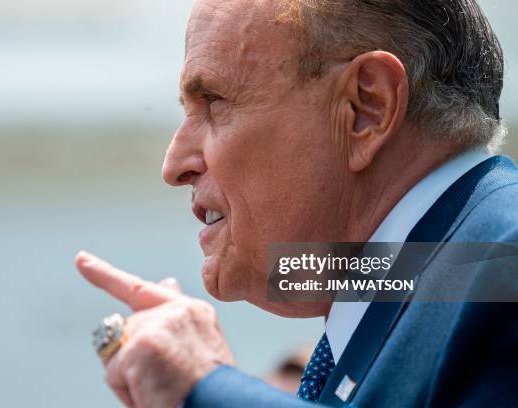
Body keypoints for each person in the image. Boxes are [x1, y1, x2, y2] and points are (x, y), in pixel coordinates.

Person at [75, 0, 518, 406]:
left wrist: (205, 388)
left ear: (367, 107)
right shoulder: (423, 267)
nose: (174, 165)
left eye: (213, 102)